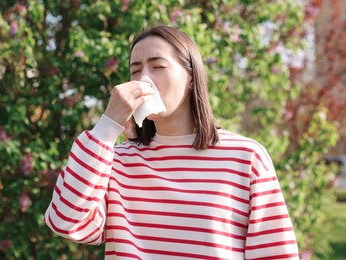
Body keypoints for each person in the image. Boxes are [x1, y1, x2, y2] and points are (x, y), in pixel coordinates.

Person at [45, 25, 299, 259]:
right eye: (135, 70)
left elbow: (275, 254)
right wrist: (107, 125)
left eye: (157, 66)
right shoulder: (116, 161)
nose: (144, 79)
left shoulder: (245, 157)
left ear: (190, 77)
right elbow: (64, 222)